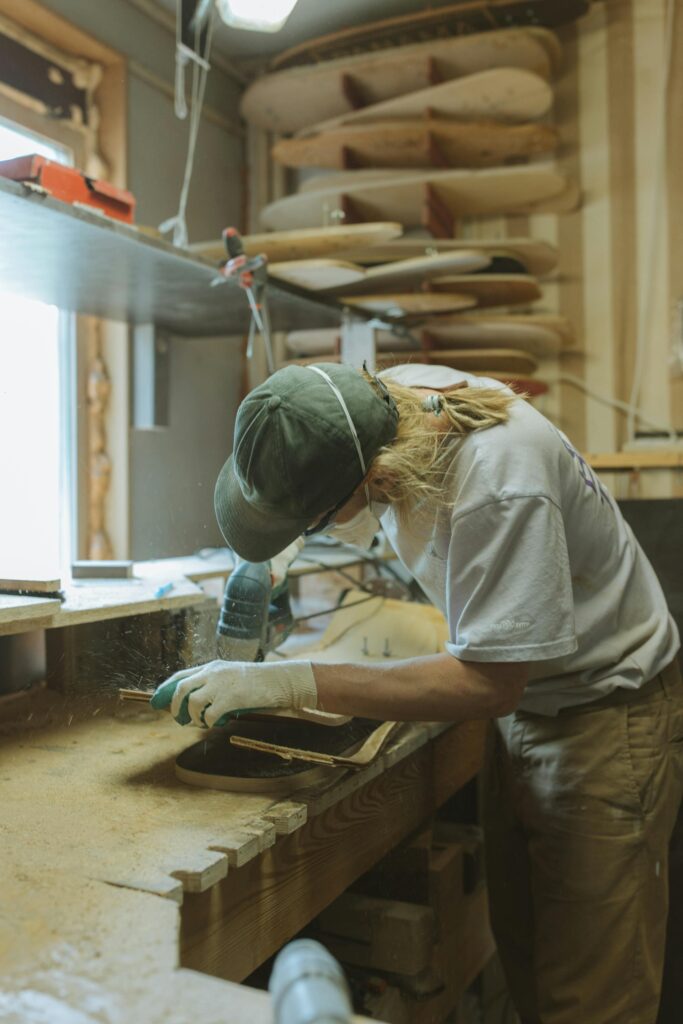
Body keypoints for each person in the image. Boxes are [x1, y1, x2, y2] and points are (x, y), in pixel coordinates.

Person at [152, 361, 683, 1024]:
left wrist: (291, 678)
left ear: (372, 479)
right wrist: (275, 550)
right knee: (524, 956)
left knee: (589, 1001)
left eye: (309, 522)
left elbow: (489, 682)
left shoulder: (495, 482)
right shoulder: (384, 403)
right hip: (532, 702)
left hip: (605, 710)